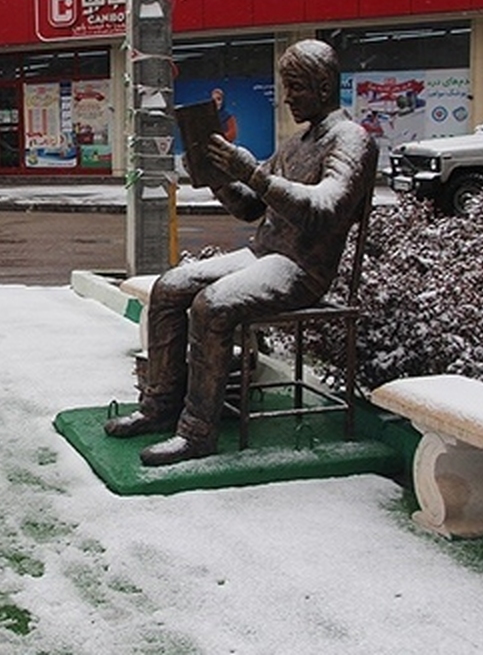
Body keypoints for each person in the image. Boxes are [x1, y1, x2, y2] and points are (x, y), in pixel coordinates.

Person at [104, 39, 378, 466]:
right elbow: (251, 206)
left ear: (324, 87)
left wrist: (251, 172)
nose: (287, 98)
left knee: (212, 306)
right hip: (263, 254)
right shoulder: (296, 143)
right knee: (170, 286)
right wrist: (217, 175)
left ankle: (198, 432)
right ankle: (161, 406)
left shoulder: (352, 140)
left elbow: (324, 211)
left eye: (296, 88)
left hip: (302, 269)